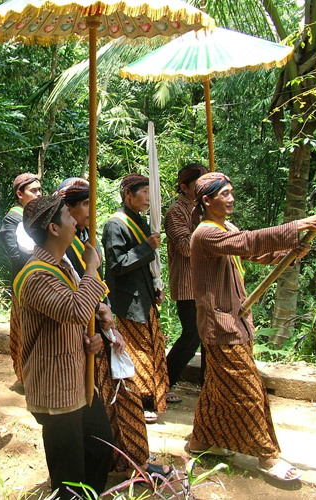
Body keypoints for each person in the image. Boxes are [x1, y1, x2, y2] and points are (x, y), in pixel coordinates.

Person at [186, 172, 316, 482]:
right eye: (224, 194)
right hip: (221, 326)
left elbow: (255, 252)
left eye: (231, 192)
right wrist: (297, 226)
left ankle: (200, 441)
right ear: (207, 200)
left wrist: (289, 253)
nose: (231, 199)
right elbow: (248, 241)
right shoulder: (205, 234)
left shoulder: (226, 229)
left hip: (235, 320)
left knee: (216, 388)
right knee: (249, 392)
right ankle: (267, 456)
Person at [56, 178, 171, 478]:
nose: (90, 210)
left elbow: (98, 280)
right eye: (85, 204)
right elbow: (86, 284)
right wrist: (99, 312)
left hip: (103, 327)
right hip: (87, 335)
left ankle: (130, 458)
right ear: (66, 210)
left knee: (122, 398)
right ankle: (124, 459)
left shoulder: (84, 238)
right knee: (114, 400)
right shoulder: (65, 247)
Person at [16, 195, 113, 500]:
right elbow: (74, 310)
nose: (75, 219)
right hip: (56, 388)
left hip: (79, 378)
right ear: (54, 229)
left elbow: (74, 319)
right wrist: (92, 268)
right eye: (68, 215)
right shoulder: (36, 275)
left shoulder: (63, 267)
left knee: (100, 448)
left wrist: (90, 339)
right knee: (69, 471)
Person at [102, 173, 167, 423]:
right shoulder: (115, 225)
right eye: (144, 193)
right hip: (128, 300)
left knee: (152, 346)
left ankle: (155, 395)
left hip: (145, 296)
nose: (149, 198)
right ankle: (139, 399)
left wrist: (155, 286)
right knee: (137, 350)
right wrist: (146, 247)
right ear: (128, 194)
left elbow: (146, 264)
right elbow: (117, 264)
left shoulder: (140, 222)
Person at [163, 163, 208, 399]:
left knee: (209, 335)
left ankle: (209, 383)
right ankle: (165, 380)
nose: (204, 188)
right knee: (192, 335)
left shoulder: (206, 207)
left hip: (207, 283)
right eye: (198, 184)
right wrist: (205, 227)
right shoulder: (176, 212)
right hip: (188, 285)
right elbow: (184, 247)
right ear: (184, 187)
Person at [0, 173, 41, 383]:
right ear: (19, 193)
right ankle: (25, 377)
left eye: (40, 190)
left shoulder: (37, 213)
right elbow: (15, 254)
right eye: (33, 190)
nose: (38, 194)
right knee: (24, 331)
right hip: (24, 282)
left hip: (41, 280)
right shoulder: (13, 218)